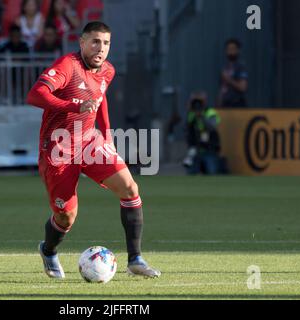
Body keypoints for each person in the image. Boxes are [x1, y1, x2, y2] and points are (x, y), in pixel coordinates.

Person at [27, 21, 161, 279]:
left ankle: (135, 260)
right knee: (66, 216)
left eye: (106, 43)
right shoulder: (68, 66)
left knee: (130, 188)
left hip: (90, 141)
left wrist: (107, 134)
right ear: (82, 42)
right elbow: (35, 95)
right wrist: (73, 107)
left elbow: (100, 99)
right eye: (95, 41)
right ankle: (48, 249)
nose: (101, 48)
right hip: (58, 148)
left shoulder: (107, 70)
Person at [183, 92, 222, 175]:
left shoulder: (210, 112)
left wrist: (202, 117)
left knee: (212, 172)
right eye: (195, 102)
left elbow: (212, 127)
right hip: (195, 150)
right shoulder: (191, 114)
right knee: (191, 173)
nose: (197, 105)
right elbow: (187, 129)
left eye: (199, 102)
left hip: (210, 149)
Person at [217, 38, 249, 108]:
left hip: (237, 104)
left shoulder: (240, 67)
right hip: (225, 105)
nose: (230, 51)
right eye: (228, 49)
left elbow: (243, 87)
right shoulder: (225, 68)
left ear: (238, 50)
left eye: (233, 49)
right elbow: (222, 89)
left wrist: (228, 80)